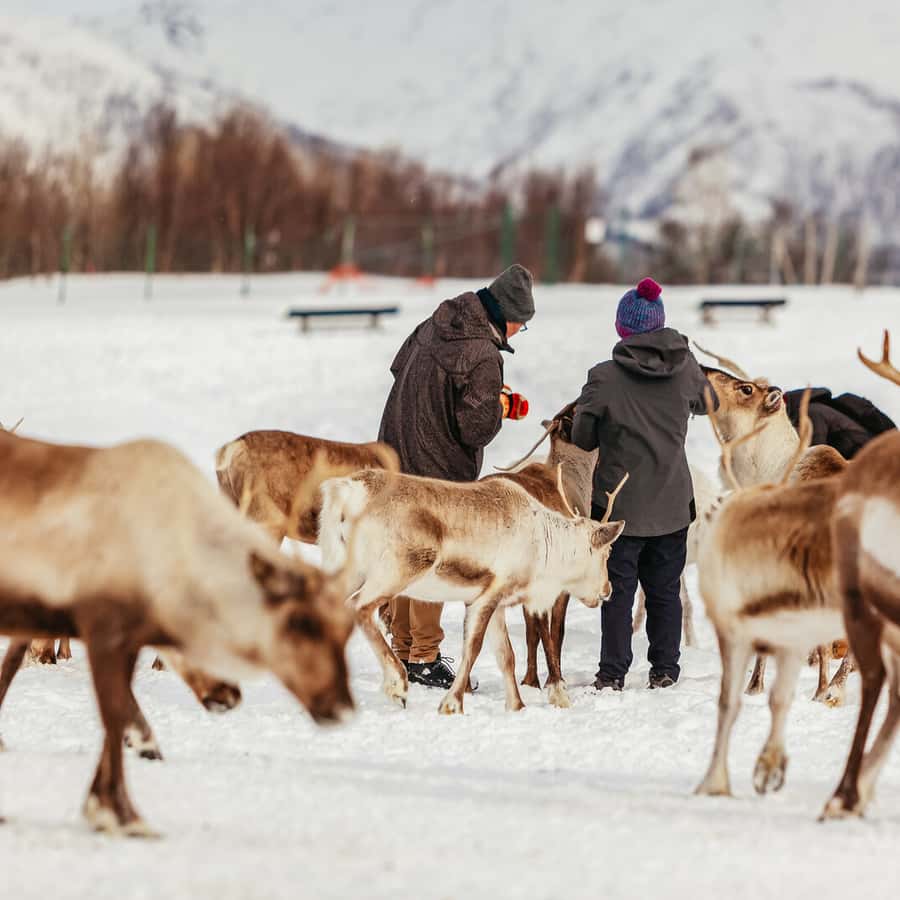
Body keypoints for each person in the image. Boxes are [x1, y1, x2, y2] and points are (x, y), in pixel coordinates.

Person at [378, 264, 535, 688]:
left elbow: (400, 370)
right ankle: (424, 656)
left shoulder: (436, 323)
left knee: (406, 551)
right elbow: (475, 428)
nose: (520, 332)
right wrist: (500, 407)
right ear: (509, 315)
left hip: (396, 449)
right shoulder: (483, 354)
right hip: (439, 469)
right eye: (523, 324)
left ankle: (404, 645)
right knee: (432, 555)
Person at [572, 277, 713, 692]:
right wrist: (684, 357)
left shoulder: (604, 377)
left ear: (622, 329)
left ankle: (612, 672)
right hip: (672, 504)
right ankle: (665, 669)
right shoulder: (685, 369)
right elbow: (709, 403)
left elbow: (583, 440)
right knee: (665, 591)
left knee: (616, 592)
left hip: (619, 509)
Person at [783, 387, 895, 459]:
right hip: (864, 451)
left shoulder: (812, 411)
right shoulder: (815, 408)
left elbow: (817, 451)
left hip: (865, 454)